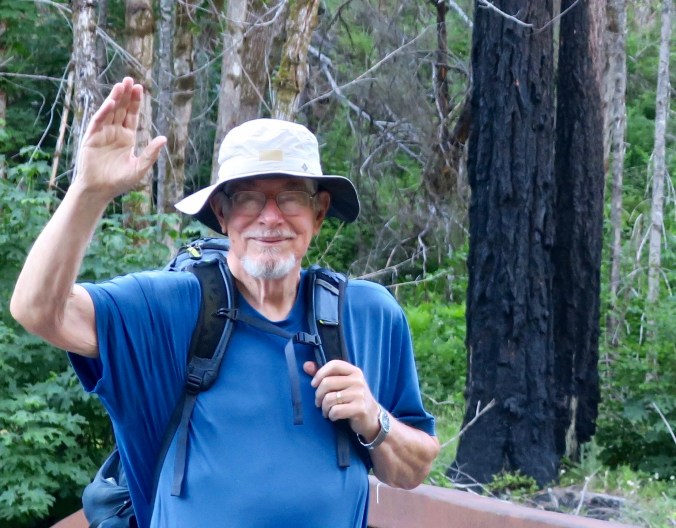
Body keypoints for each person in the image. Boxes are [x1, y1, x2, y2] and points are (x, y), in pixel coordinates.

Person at [10, 77, 439, 528]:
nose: (269, 217)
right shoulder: (170, 309)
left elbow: (412, 469)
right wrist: (89, 191)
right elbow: (38, 310)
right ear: (222, 212)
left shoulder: (367, 316)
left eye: (291, 196)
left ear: (318, 212)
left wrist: (374, 419)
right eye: (248, 197)